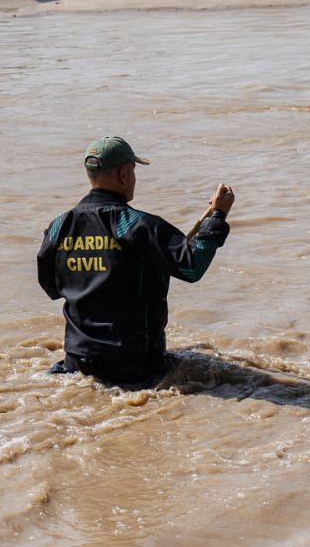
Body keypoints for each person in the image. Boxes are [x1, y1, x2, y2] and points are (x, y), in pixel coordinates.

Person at [37, 136, 235, 389]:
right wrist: (217, 216)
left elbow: (51, 286)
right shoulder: (139, 226)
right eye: (133, 171)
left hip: (78, 360)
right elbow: (192, 266)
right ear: (123, 174)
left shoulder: (58, 226)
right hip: (135, 366)